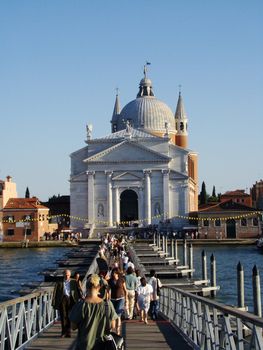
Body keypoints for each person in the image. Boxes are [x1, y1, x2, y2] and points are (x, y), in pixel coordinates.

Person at [70, 274, 118, 350]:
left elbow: (73, 327)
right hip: (102, 345)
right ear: (99, 287)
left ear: (86, 287)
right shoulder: (107, 304)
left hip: (84, 345)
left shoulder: (80, 305)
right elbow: (113, 325)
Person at [52, 269, 80, 337]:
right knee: (63, 316)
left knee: (69, 316)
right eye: (65, 275)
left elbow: (77, 290)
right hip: (63, 299)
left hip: (71, 299)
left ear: (70, 275)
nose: (67, 276)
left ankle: (68, 332)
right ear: (63, 275)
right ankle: (63, 332)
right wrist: (54, 302)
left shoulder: (74, 281)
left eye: (68, 275)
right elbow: (55, 292)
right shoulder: (59, 282)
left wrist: (80, 298)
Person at [108, 267, 127, 335]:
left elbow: (125, 290)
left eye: (115, 272)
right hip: (113, 299)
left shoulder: (121, 279)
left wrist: (126, 300)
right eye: (113, 272)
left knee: (118, 315)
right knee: (113, 315)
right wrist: (108, 298)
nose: (113, 274)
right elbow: (108, 290)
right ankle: (112, 329)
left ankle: (117, 331)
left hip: (121, 298)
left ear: (117, 273)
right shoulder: (110, 281)